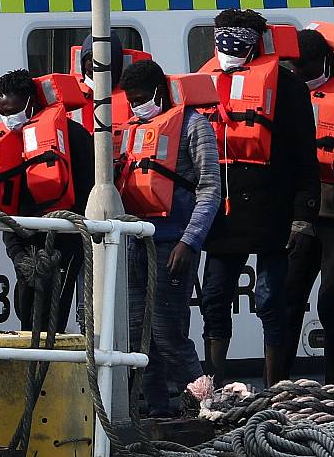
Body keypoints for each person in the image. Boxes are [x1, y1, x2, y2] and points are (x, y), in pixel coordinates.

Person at [201, 9, 320, 388]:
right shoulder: (203, 82)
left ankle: (274, 385)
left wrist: (303, 216)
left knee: (271, 300)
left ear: (257, 42)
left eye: (238, 40)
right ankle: (213, 386)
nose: (228, 48)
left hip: (274, 210)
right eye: (222, 39)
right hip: (223, 213)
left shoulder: (287, 86)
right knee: (214, 299)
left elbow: (305, 156)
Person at [119, 59, 221, 418]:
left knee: (168, 335)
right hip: (135, 243)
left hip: (174, 244)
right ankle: (158, 414)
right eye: (131, 100)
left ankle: (205, 407)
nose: (136, 106)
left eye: (142, 98)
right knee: (137, 338)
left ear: (160, 92)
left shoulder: (195, 127)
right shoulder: (131, 129)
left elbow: (210, 188)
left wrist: (189, 240)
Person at [280, 29, 334, 383]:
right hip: (300, 211)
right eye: (293, 66)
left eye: (304, 65)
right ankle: (278, 382)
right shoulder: (283, 93)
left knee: (332, 302)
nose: (297, 72)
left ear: (324, 61)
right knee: (288, 297)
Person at [0, 69, 94, 333]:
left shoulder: (74, 137)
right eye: (2, 113)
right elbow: (5, 207)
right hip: (24, 246)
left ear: (31, 103)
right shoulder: (5, 142)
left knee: (52, 318)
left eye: (13, 111)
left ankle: (47, 371)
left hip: (64, 244)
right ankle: (31, 370)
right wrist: (16, 254)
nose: (8, 119)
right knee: (26, 315)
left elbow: (87, 196)